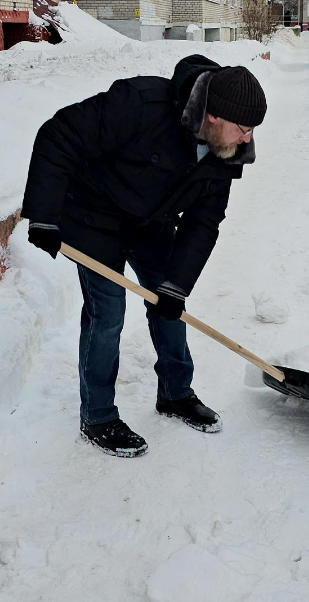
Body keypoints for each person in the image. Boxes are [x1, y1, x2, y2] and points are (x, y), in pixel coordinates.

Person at [21, 55, 268, 458]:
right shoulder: (141, 103)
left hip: (151, 222)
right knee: (107, 313)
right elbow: (60, 133)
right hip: (93, 217)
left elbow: (204, 221)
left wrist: (177, 285)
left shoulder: (226, 150)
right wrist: (44, 214)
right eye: (243, 128)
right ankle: (97, 416)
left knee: (170, 304)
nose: (247, 139)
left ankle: (175, 393)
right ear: (212, 115)